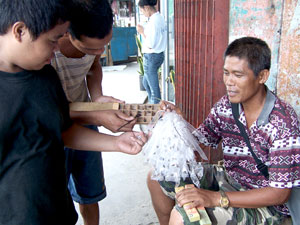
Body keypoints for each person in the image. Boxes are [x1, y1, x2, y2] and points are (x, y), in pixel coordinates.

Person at [0, 0, 147, 224]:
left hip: (58, 212)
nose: (57, 47)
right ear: (20, 31)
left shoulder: (45, 76)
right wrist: (96, 114)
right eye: (52, 40)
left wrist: (116, 143)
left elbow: (63, 130)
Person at [147, 37, 300, 225]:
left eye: (238, 74)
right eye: (226, 73)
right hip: (231, 180)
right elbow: (199, 140)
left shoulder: (283, 123)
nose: (229, 82)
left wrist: (215, 198)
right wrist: (177, 122)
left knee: (182, 216)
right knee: (157, 176)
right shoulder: (227, 105)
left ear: (262, 76)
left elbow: (279, 194)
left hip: (266, 205)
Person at [51, 1, 136, 224]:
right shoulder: (46, 53)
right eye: (90, 48)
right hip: (54, 126)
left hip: (84, 118)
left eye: (104, 45)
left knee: (90, 192)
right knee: (56, 201)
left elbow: (94, 67)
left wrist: (97, 99)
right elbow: (48, 111)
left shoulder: (95, 43)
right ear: (66, 33)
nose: (99, 53)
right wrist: (96, 114)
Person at [136, 0, 167, 104]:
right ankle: (151, 103)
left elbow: (150, 44)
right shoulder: (160, 17)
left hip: (151, 56)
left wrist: (141, 32)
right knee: (145, 82)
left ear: (147, 7)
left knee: (155, 91)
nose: (143, 14)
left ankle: (156, 109)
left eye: (142, 11)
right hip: (158, 55)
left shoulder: (154, 21)